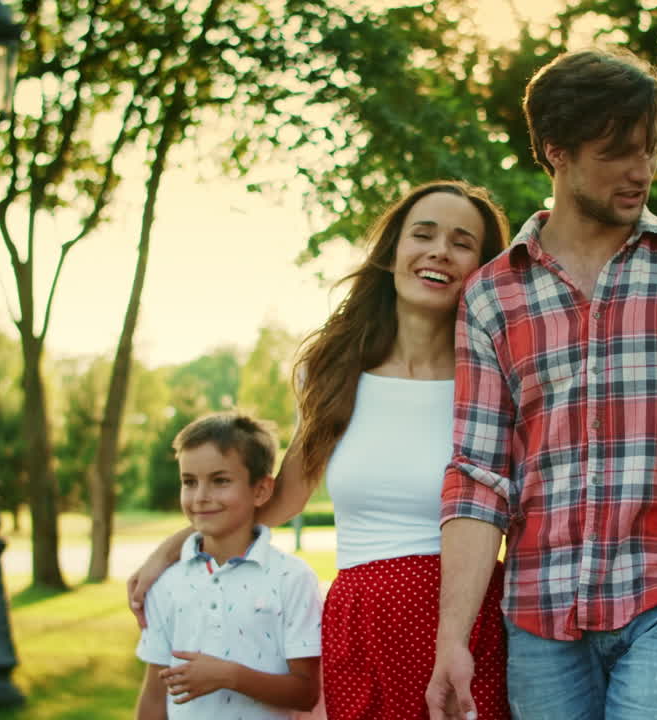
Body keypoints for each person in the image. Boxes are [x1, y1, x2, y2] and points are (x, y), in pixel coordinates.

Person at [426, 47, 657, 720]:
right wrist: (453, 640)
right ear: (555, 151)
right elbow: (478, 476)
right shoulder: (492, 296)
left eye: (650, 150)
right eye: (617, 152)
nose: (641, 171)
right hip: (540, 617)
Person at [129, 181, 512, 720]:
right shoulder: (334, 371)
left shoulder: (496, 376)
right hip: (361, 625)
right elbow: (281, 499)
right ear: (392, 254)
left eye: (462, 242)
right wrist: (172, 549)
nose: (440, 252)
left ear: (483, 267)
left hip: (470, 624)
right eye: (423, 235)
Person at [134, 411, 322, 719]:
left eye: (220, 481)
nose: (201, 497)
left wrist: (229, 676)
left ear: (261, 490)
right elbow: (154, 696)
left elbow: (306, 693)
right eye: (189, 482)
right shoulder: (166, 583)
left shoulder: (293, 578)